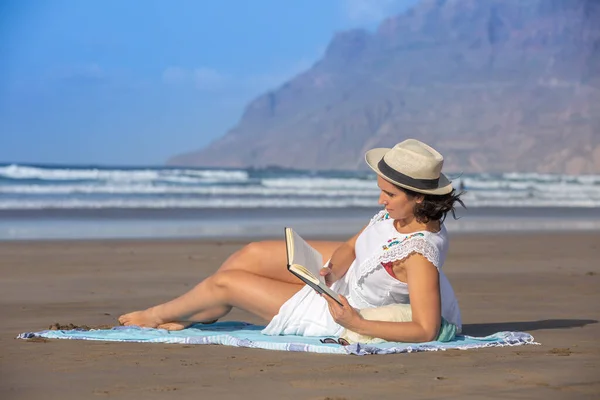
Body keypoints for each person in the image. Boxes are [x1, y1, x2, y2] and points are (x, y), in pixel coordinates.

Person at [119, 139, 465, 343]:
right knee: (251, 253)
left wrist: (355, 323)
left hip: (343, 310)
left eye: (388, 194)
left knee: (226, 282)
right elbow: (350, 246)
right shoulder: (398, 215)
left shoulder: (419, 255)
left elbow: (426, 328)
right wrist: (330, 269)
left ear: (419, 197)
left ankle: (156, 315)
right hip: (341, 279)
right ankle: (207, 309)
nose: (380, 201)